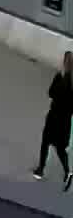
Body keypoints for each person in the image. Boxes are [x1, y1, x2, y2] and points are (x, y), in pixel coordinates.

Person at [32, 52, 73, 188]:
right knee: (60, 148)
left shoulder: (59, 77)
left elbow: (50, 93)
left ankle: (40, 170)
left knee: (46, 143)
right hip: (65, 120)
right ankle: (67, 171)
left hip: (54, 116)